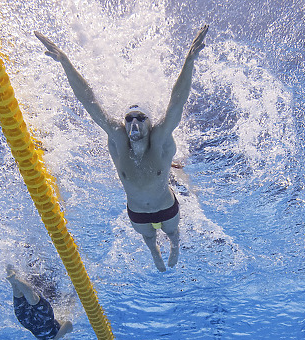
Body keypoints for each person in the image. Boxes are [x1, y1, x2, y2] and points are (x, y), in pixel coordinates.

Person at [35, 25, 209, 272]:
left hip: (166, 206)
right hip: (137, 213)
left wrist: (189, 61)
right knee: (149, 240)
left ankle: (175, 246)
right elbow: (89, 100)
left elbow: (176, 104)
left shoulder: (159, 140)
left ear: (150, 124)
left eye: (140, 118)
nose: (134, 123)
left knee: (173, 234)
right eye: (129, 119)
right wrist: (65, 61)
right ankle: (153, 251)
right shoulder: (117, 139)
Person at [6, 265, 73, 340]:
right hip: (27, 322)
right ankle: (12, 277)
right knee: (22, 295)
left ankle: (14, 278)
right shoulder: (48, 338)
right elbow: (68, 324)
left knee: (31, 296)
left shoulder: (51, 336)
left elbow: (68, 324)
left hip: (39, 320)